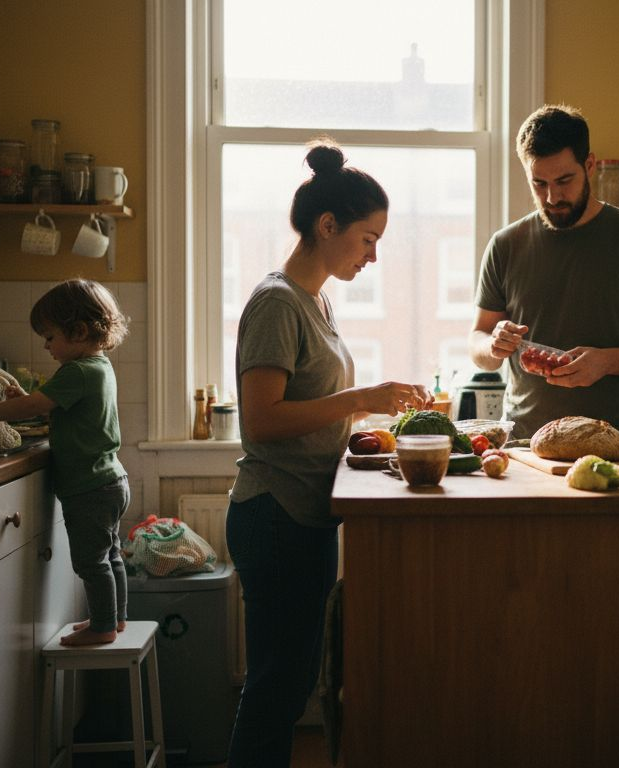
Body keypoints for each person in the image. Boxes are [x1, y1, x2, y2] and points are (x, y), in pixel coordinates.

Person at [224, 140, 432, 766]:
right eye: (368, 239)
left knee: (288, 687)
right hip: (275, 515)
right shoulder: (277, 302)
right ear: (327, 225)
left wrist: (372, 422)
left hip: (301, 515)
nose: (374, 255)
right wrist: (361, 398)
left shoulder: (315, 300)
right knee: (276, 688)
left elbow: (310, 406)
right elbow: (262, 420)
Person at [469, 104, 619, 440]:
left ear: (590, 165)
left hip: (610, 444)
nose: (552, 197)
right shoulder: (505, 244)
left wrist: (607, 362)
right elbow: (478, 343)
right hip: (524, 444)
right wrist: (493, 344)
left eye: (564, 180)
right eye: (539, 183)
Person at [0, 279, 131, 647]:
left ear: (78, 331)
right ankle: (115, 618)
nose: (46, 345)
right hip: (110, 482)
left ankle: (103, 626)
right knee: (110, 554)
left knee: (91, 563)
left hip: (89, 488)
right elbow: (51, 405)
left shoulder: (77, 371)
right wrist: (25, 397)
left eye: (50, 336)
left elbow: (35, 407)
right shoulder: (99, 366)